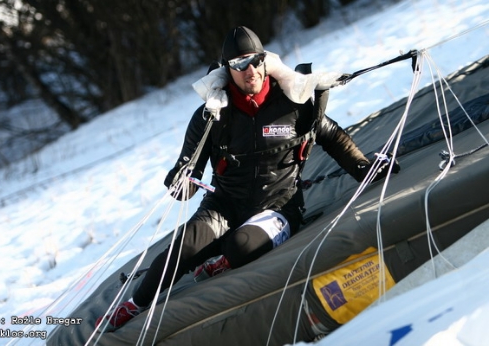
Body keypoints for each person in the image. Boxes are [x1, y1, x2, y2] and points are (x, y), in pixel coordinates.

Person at [95, 26, 399, 331]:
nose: (249, 70)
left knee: (241, 247)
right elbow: (187, 175)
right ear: (228, 70)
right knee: (185, 245)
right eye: (239, 64)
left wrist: (364, 168)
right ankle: (135, 305)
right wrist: (180, 182)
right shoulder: (213, 114)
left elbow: (332, 137)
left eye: (254, 60)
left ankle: (220, 260)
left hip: (278, 207)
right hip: (225, 205)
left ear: (265, 60)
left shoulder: (293, 101)